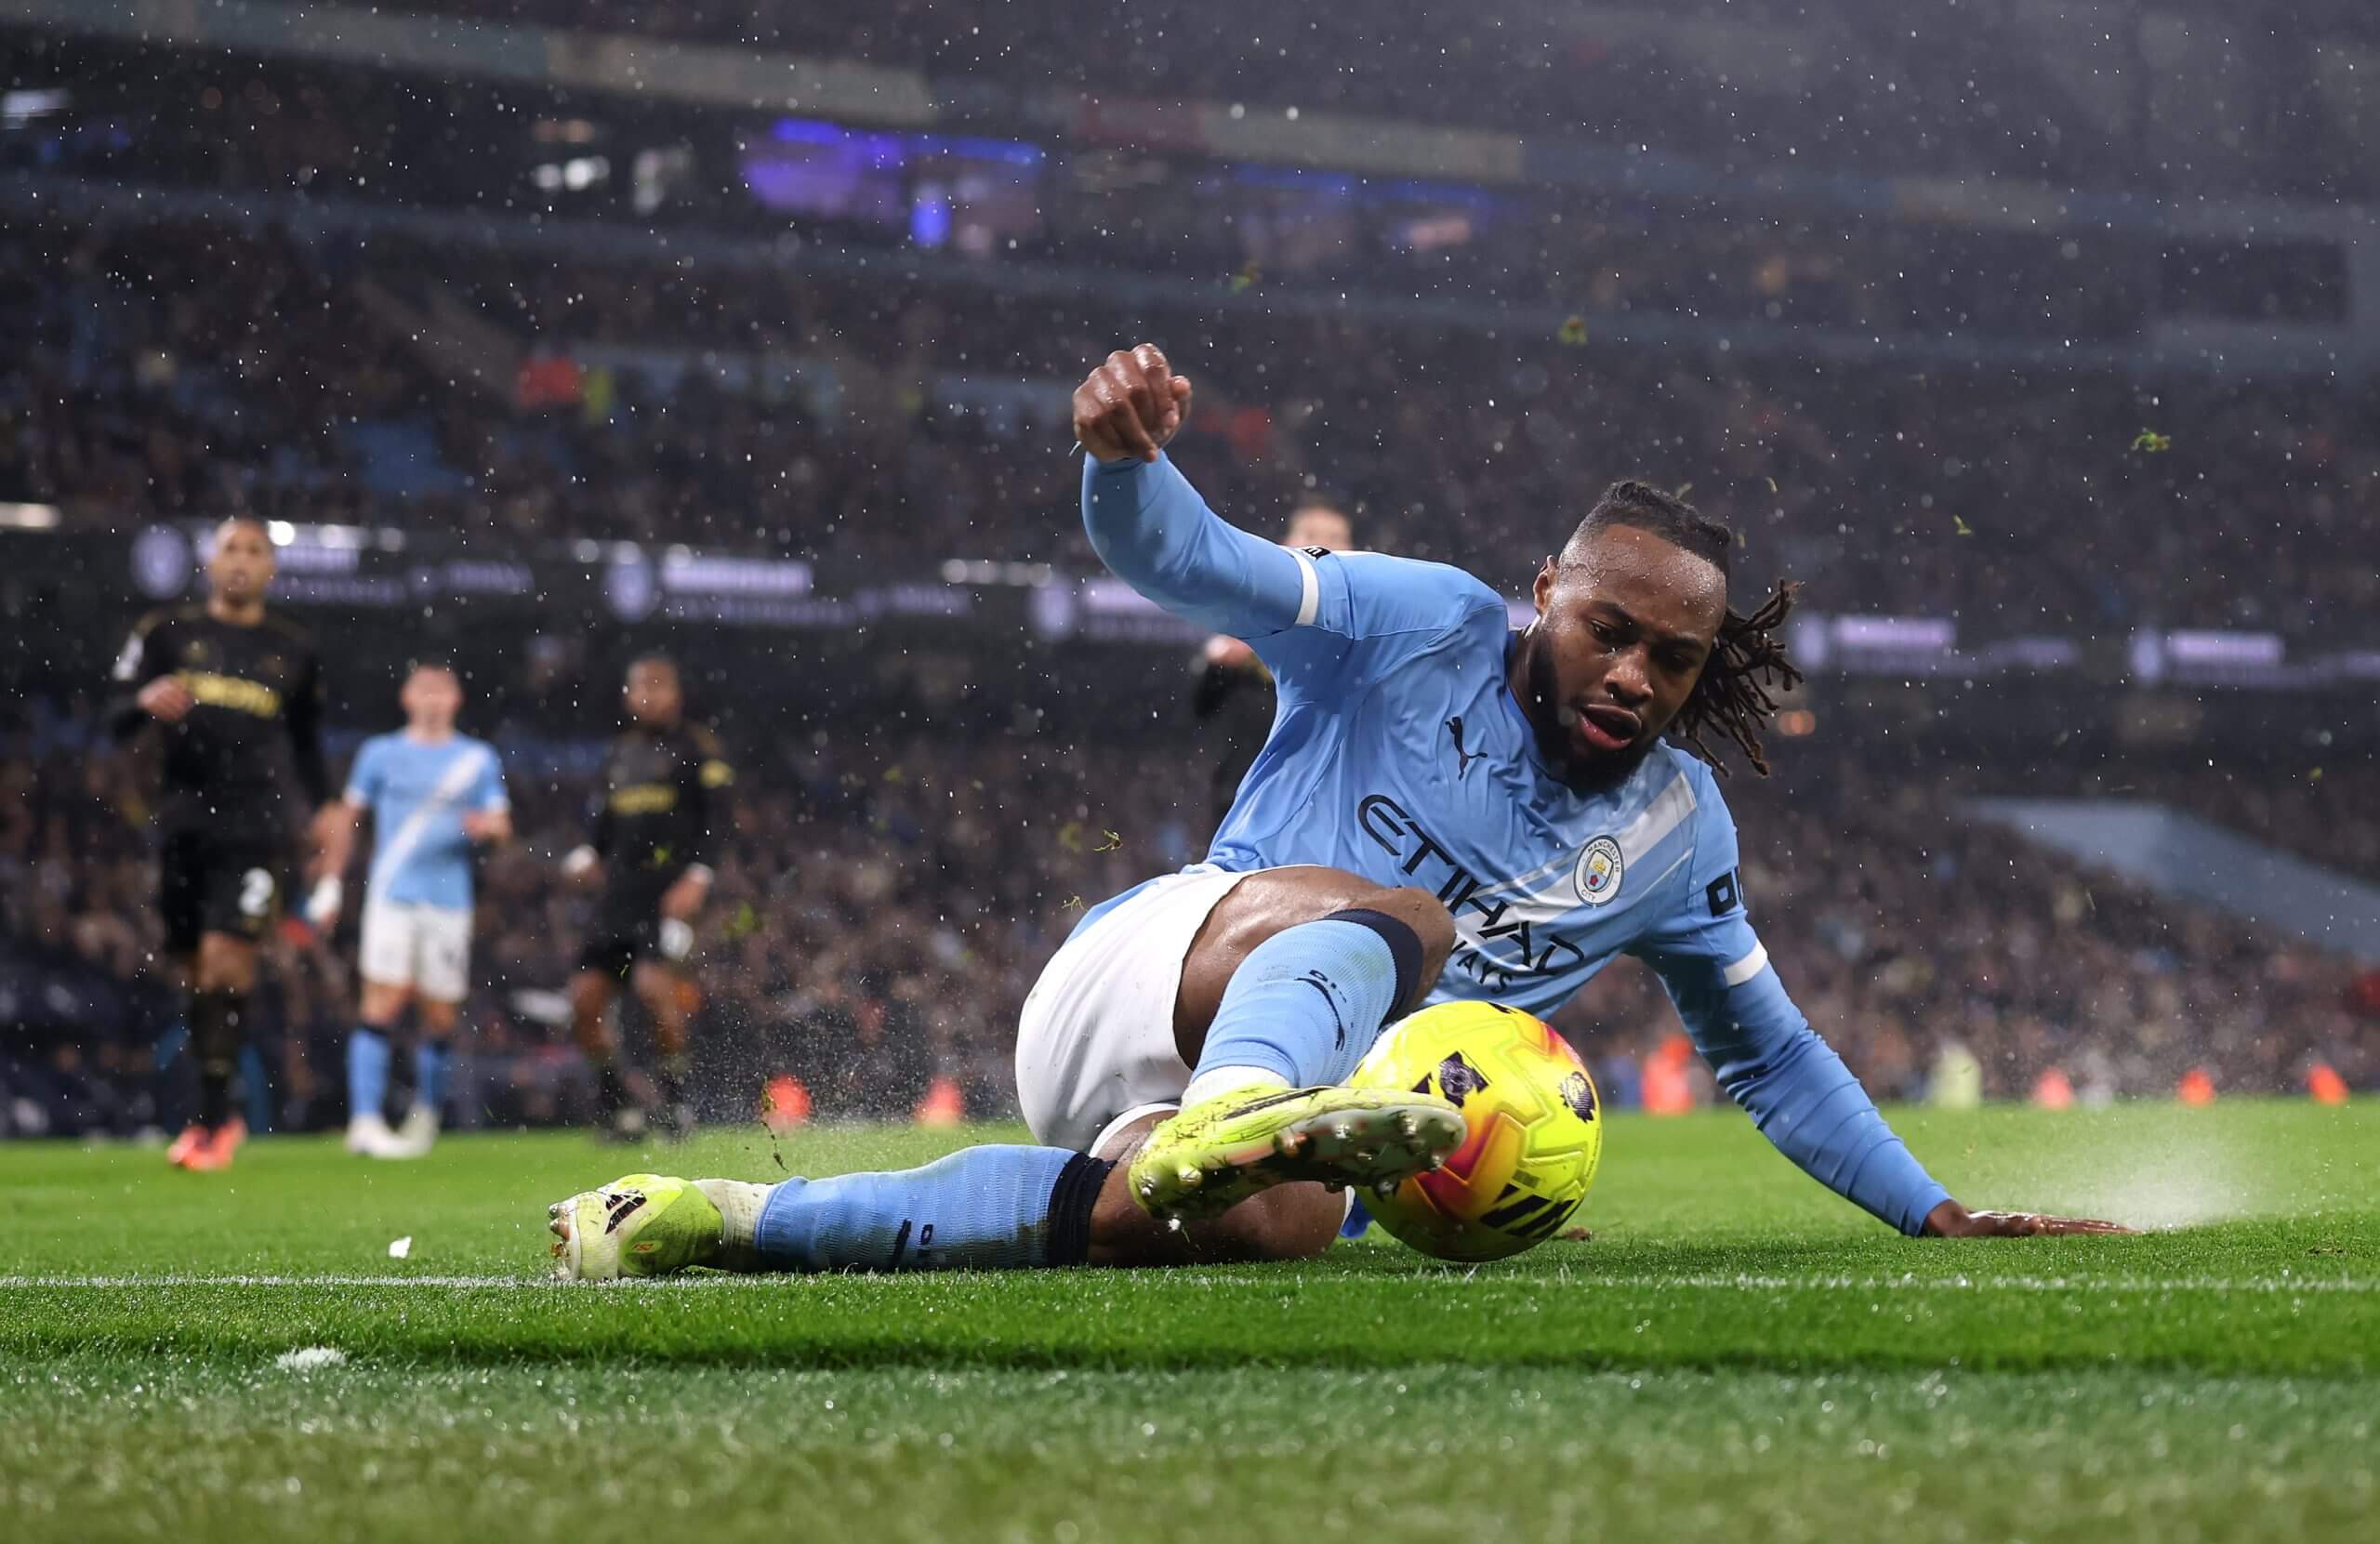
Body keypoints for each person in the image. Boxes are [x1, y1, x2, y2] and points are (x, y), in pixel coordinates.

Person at [546, 343, 2126, 1278]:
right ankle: (1241, 1107)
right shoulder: (1419, 620)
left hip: (1215, 1120)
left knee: (1282, 1225)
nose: (1636, 674)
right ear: (1543, 596)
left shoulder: (1678, 831)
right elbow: (1199, 562)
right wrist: (1122, 466)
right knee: (1410, 931)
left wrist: (1933, 1212)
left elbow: (1765, 1052)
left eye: (1673, 657)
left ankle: (726, 1218)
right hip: (1152, 969)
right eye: (1609, 631)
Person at [110, 516, 326, 1170]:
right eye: (231, 548)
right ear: (210, 561)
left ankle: (212, 1123)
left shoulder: (294, 650)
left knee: (228, 959)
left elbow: (309, 749)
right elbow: (113, 715)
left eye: (254, 551)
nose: (240, 560)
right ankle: (213, 1108)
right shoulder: (164, 633)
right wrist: (143, 698)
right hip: (183, 825)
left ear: (270, 570)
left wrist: (329, 812)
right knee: (196, 970)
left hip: (256, 829)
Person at [309, 660, 511, 1158]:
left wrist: (488, 829)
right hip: (392, 894)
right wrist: (331, 884)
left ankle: (425, 1115)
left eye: (443, 690)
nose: (434, 699)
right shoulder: (380, 753)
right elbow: (347, 819)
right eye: (425, 690)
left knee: (439, 1015)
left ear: (456, 699)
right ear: (407, 697)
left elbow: (502, 824)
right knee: (382, 1000)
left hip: (450, 900)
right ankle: (365, 1121)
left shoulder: (477, 759)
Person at [562, 655, 733, 1141]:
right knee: (583, 1003)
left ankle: (677, 1104)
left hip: (666, 895)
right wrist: (585, 856)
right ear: (627, 695)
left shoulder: (697, 749)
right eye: (641, 687)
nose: (649, 695)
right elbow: (604, 828)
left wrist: (698, 877)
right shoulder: (619, 755)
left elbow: (719, 821)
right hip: (618, 899)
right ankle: (620, 1105)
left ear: (676, 693)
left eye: (659, 686)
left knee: (655, 990)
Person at [1192, 497, 1354, 832]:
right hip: (1246, 800)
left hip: (1331, 804)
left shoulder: (1364, 630)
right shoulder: (1249, 612)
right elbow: (1200, 706)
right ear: (1285, 544)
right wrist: (1223, 662)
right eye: (1309, 533)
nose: (1322, 544)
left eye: (1335, 537)